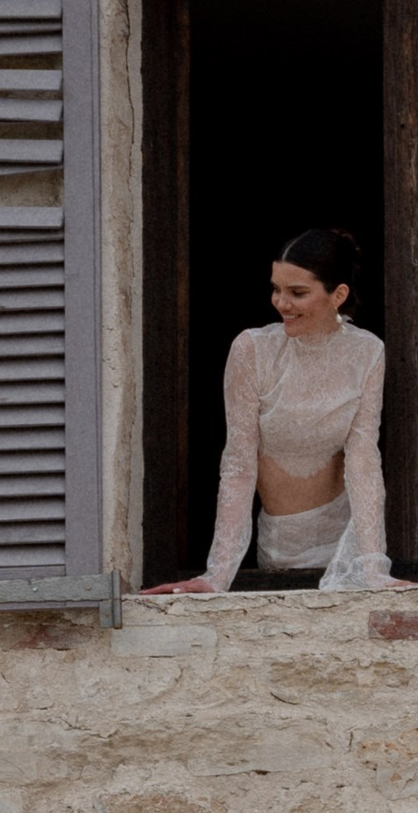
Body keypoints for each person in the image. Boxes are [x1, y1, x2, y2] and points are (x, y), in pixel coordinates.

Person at [151, 225, 390, 594]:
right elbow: (239, 464)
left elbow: (363, 459)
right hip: (283, 548)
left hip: (346, 540)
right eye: (276, 289)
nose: (281, 303)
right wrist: (217, 574)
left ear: (338, 294)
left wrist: (373, 565)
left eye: (297, 292)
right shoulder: (253, 350)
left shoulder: (368, 351)